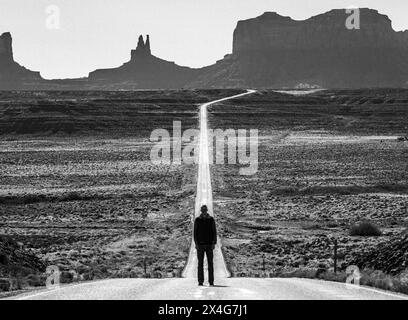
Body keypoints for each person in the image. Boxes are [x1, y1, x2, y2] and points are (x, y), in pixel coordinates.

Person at [194, 205, 217, 286]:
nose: (204, 211)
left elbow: (214, 231)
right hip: (200, 245)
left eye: (205, 210)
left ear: (207, 210)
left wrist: (214, 243)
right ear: (201, 211)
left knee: (210, 263)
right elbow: (195, 233)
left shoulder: (211, 219)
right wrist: (196, 244)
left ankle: (211, 281)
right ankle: (200, 281)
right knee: (200, 264)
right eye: (203, 210)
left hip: (209, 245)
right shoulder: (197, 220)